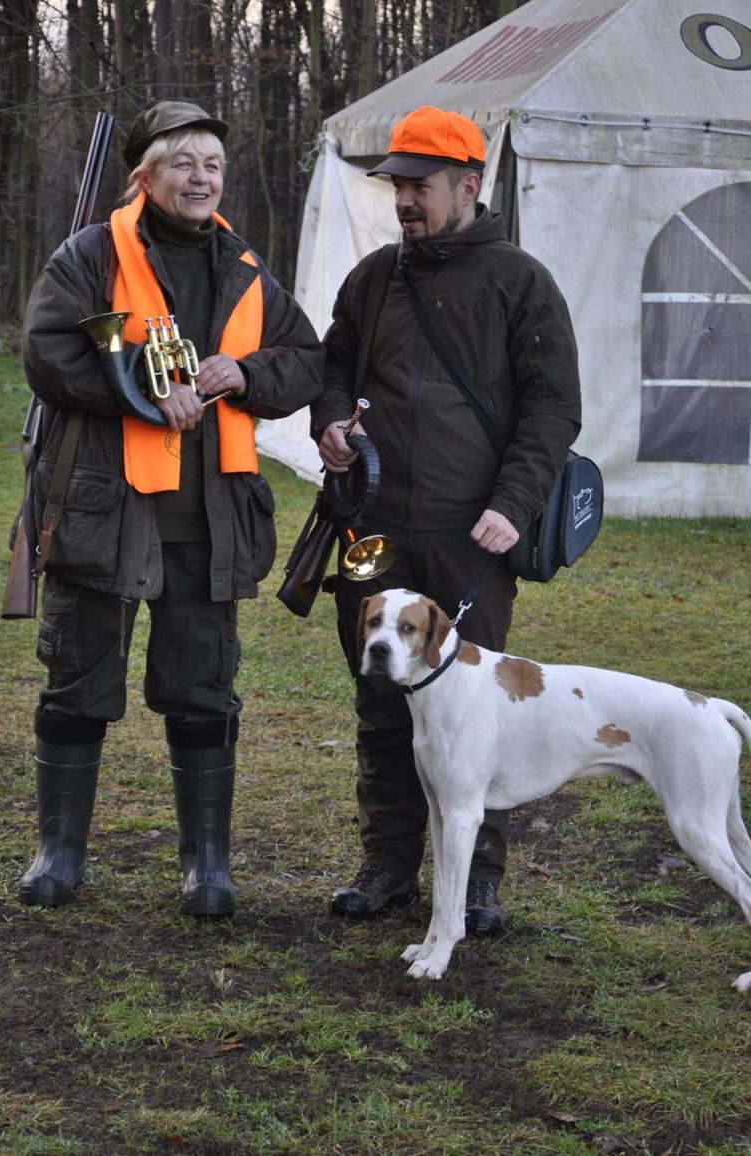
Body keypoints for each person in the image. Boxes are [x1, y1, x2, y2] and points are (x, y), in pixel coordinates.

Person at [17, 100, 324, 917]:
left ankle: (206, 866)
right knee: (78, 679)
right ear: (144, 177)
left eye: (212, 164)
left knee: (204, 687)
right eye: (183, 162)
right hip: (103, 508)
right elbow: (46, 352)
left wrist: (243, 377)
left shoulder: (246, 266)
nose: (201, 177)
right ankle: (58, 852)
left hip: (209, 516)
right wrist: (144, 398)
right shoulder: (90, 254)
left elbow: (306, 361)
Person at [311, 105, 581, 932]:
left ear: (469, 184)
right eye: (396, 186)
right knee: (380, 698)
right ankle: (388, 865)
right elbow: (331, 364)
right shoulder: (370, 280)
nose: (404, 201)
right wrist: (329, 422)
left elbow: (554, 408)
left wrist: (514, 503)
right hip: (374, 530)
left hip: (474, 538)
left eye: (419, 185)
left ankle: (479, 885)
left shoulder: (521, 282)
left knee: (477, 713)